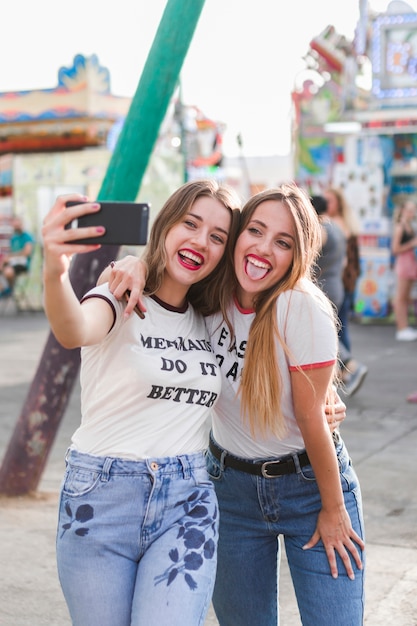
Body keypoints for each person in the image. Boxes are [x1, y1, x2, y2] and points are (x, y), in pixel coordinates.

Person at [102, 184, 364, 626]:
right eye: (255, 231)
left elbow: (309, 417)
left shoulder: (300, 307)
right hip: (230, 490)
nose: (263, 249)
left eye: (282, 242)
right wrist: (134, 263)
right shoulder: (210, 296)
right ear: (237, 235)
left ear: (297, 255)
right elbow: (169, 268)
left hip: (310, 485)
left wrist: (334, 509)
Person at [41, 179, 242, 626]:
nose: (199, 242)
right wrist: (54, 268)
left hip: (187, 501)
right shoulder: (118, 292)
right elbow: (74, 329)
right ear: (166, 224)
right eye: (190, 224)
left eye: (217, 237)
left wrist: (324, 394)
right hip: (100, 500)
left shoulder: (212, 319)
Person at [311, 194, 368, 397]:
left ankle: (351, 366)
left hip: (323, 287)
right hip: (336, 285)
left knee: (321, 331)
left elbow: (308, 258)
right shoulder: (337, 227)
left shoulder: (322, 230)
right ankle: (341, 373)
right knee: (327, 330)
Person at [324, 187, 361, 353]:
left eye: (329, 200)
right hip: (344, 279)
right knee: (340, 323)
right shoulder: (342, 222)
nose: (325, 204)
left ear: (338, 203)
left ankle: (347, 365)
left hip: (340, 279)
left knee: (338, 326)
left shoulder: (334, 224)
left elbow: (344, 259)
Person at [391, 198, 417, 341]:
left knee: (406, 297)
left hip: (410, 263)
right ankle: (401, 328)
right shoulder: (400, 227)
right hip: (404, 263)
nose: (411, 213)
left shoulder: (409, 227)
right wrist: (412, 244)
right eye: (409, 210)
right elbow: (395, 249)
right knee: (401, 297)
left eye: (413, 211)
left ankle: (405, 326)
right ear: (402, 211)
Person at [0, 215, 34, 296]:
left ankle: (10, 289)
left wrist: (11, 256)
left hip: (22, 263)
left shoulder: (27, 236)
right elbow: (12, 252)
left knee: (8, 271)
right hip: (12, 262)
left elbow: (27, 252)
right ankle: (4, 288)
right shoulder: (13, 238)